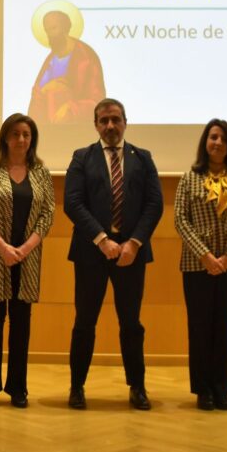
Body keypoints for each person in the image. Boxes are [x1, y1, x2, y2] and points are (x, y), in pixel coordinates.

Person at [64, 98, 163, 410]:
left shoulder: (143, 158)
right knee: (85, 322)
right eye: (104, 120)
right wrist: (102, 239)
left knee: (131, 324)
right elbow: (73, 203)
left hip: (131, 255)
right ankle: (77, 387)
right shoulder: (82, 157)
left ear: (125, 122)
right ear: (96, 124)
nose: (110, 125)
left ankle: (137, 387)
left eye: (115, 119)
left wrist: (133, 243)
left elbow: (154, 204)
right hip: (92, 253)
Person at [0, 113, 55, 409]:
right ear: (5, 137)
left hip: (27, 258)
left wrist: (25, 248)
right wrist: (4, 247)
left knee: (22, 324)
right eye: (16, 134)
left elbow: (48, 215)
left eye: (27, 135)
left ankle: (18, 388)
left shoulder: (41, 172)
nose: (22, 139)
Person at [174, 119, 227, 411]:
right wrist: (205, 256)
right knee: (199, 329)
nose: (217, 143)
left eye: (223, 138)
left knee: (223, 328)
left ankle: (222, 389)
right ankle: (203, 390)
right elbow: (180, 220)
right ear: (205, 143)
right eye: (212, 137)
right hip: (197, 266)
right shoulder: (189, 178)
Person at [28, 9, 105, 126]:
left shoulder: (85, 57)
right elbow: (38, 96)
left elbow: (97, 101)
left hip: (75, 129)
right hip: (49, 129)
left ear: (65, 28)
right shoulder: (51, 60)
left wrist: (71, 108)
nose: (50, 34)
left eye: (54, 28)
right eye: (47, 30)